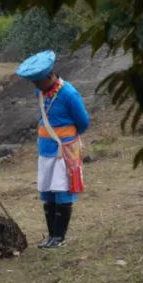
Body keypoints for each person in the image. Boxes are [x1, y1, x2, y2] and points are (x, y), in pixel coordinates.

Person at [16, 50, 90, 249]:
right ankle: (50, 235)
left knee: (62, 192)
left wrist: (67, 139)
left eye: (38, 81)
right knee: (48, 193)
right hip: (45, 150)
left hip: (63, 151)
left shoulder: (69, 93)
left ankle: (59, 237)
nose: (36, 86)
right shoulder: (39, 92)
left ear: (50, 76)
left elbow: (83, 122)